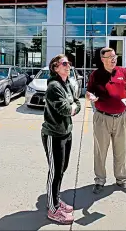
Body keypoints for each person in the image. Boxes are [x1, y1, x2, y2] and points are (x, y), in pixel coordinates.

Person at [86, 47, 126, 195]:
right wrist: (90, 97)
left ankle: (121, 179)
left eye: (115, 56)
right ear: (102, 59)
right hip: (102, 118)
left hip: (121, 117)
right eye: (110, 57)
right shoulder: (96, 75)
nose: (113, 59)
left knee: (120, 150)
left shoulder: (123, 72)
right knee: (100, 151)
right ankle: (100, 181)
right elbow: (89, 91)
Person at [41, 54, 81, 224]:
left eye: (69, 63)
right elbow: (65, 109)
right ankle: (52, 209)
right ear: (55, 67)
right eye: (64, 63)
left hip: (66, 132)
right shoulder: (54, 86)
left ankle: (56, 200)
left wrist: (72, 107)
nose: (68, 66)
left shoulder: (67, 84)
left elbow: (77, 104)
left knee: (62, 168)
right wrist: (72, 107)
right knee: (55, 171)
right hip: (53, 134)